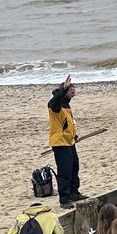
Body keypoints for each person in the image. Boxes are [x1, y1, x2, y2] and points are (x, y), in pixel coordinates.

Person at [47, 75, 83, 207]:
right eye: (71, 92)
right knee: (65, 171)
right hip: (60, 143)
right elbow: (56, 99)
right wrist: (63, 88)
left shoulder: (67, 106)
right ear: (65, 91)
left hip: (69, 142)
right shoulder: (55, 105)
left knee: (74, 167)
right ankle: (64, 198)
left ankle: (74, 192)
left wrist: (74, 136)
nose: (73, 95)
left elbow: (69, 124)